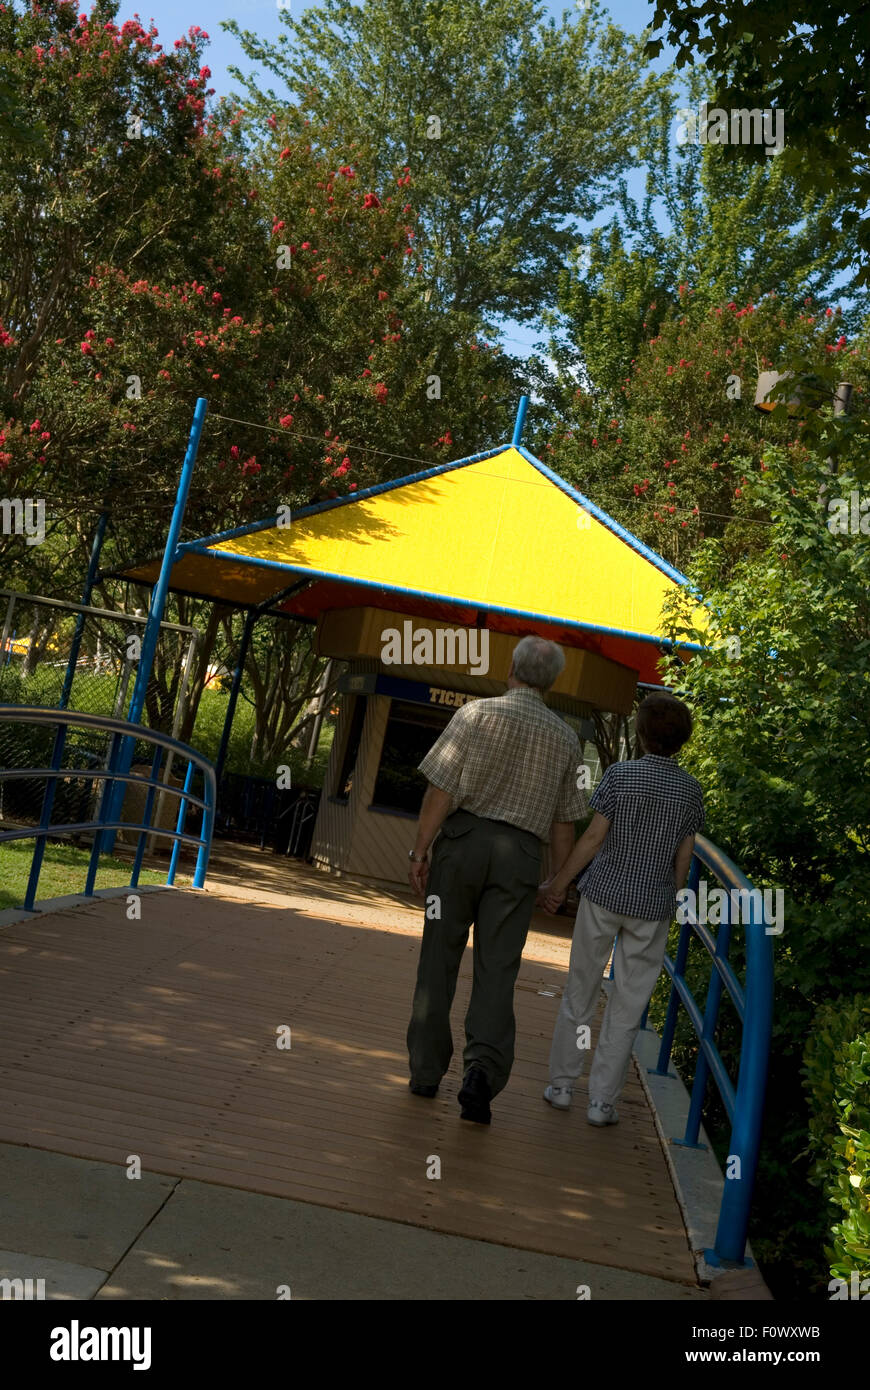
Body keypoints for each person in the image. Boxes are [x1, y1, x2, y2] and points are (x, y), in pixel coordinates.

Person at [405, 635, 587, 1125]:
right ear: (551, 682)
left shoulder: (474, 715)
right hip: (521, 858)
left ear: (511, 669)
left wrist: (420, 851)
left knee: (438, 958)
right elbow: (564, 823)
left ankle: (425, 1071)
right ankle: (481, 1075)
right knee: (497, 970)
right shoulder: (566, 738)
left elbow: (441, 790)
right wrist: (558, 883)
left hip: (461, 847)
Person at [539, 692, 704, 1127]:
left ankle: (561, 1085)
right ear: (682, 741)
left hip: (604, 895)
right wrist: (673, 896)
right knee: (629, 1004)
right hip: (651, 906)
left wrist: (559, 884)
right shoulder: (690, 790)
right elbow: (683, 858)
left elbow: (593, 839)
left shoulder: (620, 775)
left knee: (582, 990)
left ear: (642, 733)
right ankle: (602, 1103)